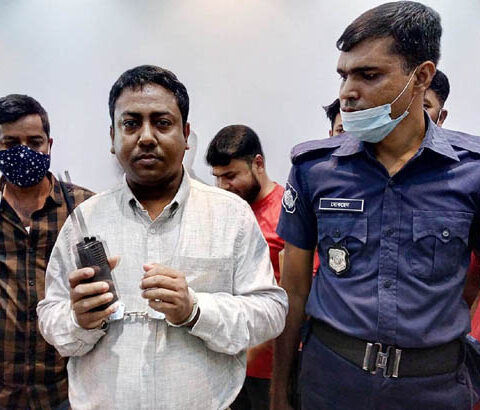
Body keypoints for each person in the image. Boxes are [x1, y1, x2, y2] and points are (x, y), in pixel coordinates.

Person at [37, 65, 288, 410]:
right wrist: (78, 320)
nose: (146, 137)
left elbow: (271, 311)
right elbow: (50, 316)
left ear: (186, 135)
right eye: (130, 124)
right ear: (112, 137)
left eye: (162, 123)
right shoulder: (85, 220)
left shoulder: (231, 216)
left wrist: (195, 310)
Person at [270, 2, 480, 409]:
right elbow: (293, 290)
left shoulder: (470, 172)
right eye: (344, 75)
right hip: (332, 379)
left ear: (421, 76)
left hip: (432, 387)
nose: (347, 92)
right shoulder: (315, 169)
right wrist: (280, 390)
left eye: (369, 75)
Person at [0, 94, 94, 409]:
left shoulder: (84, 208)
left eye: (34, 142)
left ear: (49, 145)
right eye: (10, 143)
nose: (23, 151)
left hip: (66, 391)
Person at [206, 124, 284, 410]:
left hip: (270, 368)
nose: (223, 186)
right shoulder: (227, 212)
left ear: (258, 164)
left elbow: (294, 299)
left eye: (231, 176)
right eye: (217, 177)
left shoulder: (287, 213)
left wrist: (250, 356)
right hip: (228, 360)